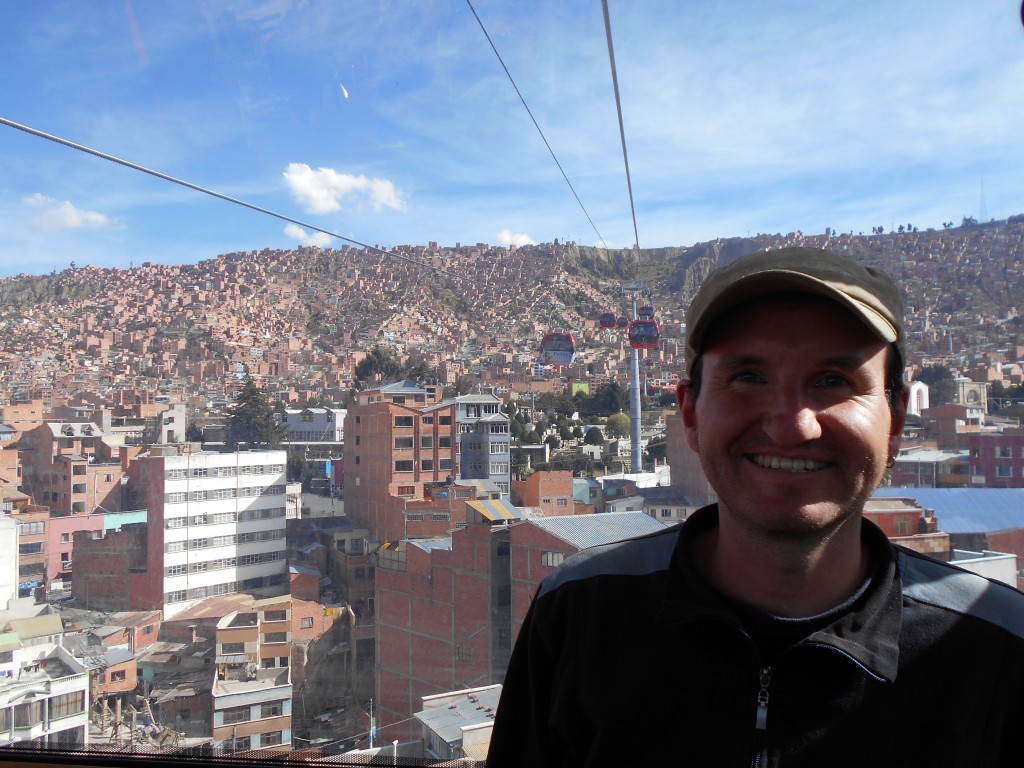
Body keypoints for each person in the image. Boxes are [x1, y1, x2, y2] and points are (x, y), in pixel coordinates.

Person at [487, 247, 1024, 766]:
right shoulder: (580, 616)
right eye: (748, 378)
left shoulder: (995, 652)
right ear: (690, 414)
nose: (792, 425)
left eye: (833, 381)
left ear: (898, 422)